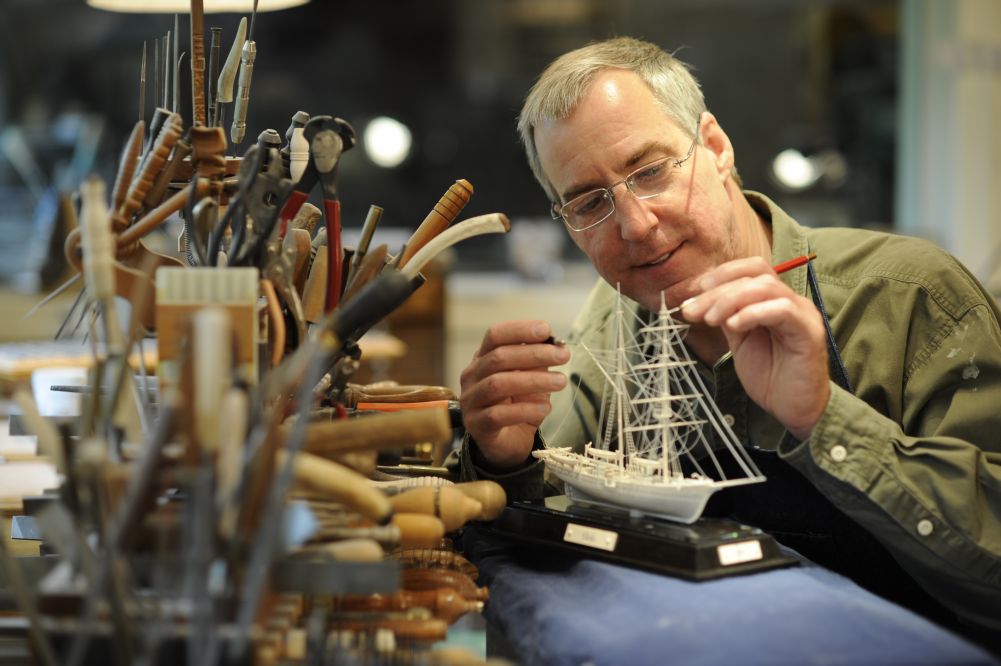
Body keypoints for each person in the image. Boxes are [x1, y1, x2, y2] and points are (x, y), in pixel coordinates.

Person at [453, 36, 1001, 646]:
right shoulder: (614, 317)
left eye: (651, 172)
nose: (636, 225)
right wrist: (502, 460)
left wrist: (824, 420)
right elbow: (543, 530)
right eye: (588, 203)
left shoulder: (911, 299)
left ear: (715, 147)